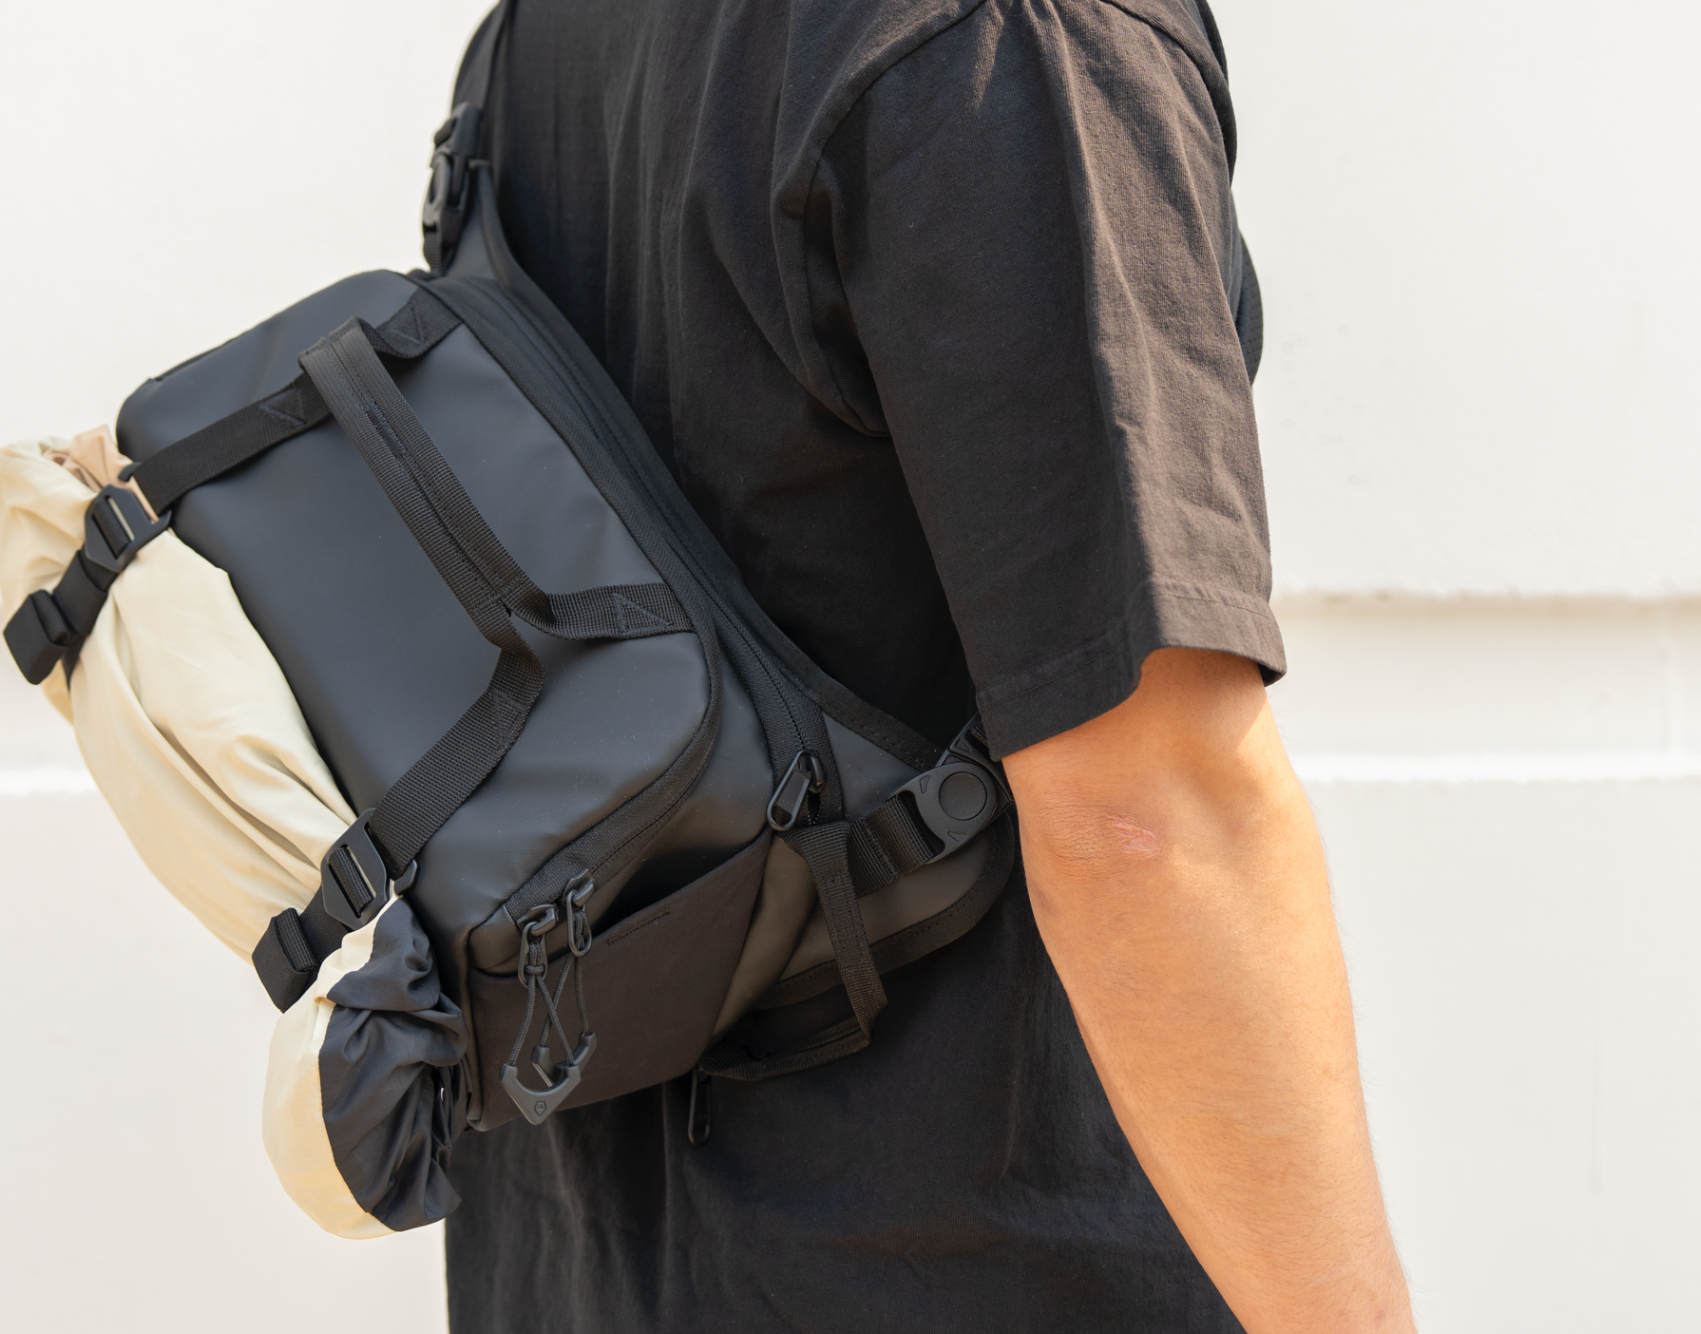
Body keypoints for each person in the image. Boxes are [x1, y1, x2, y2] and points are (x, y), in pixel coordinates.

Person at [441, 1, 1415, 1330]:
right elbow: (1144, 814)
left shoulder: (550, 30)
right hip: (958, 1258)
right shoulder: (1016, 48)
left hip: (585, 1249)